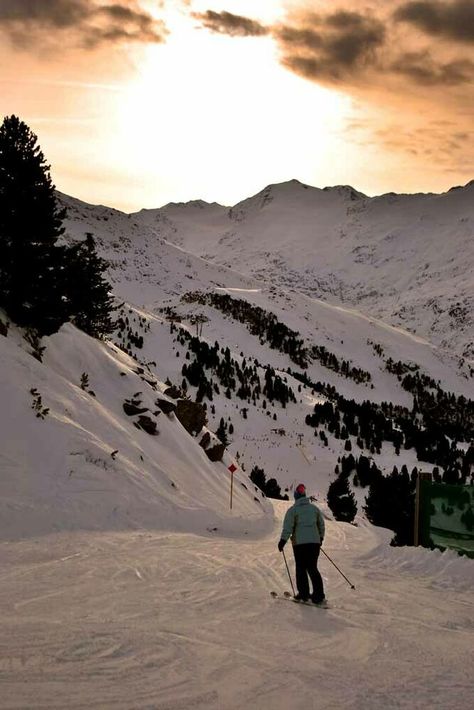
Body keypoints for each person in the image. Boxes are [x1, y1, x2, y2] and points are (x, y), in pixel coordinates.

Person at [278, 483, 326, 603]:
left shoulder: (293, 511)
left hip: (300, 544)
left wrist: (282, 541)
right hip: (314, 544)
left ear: (295, 496)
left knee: (301, 568)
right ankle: (319, 595)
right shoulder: (314, 509)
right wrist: (320, 538)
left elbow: (288, 527)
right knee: (313, 568)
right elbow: (321, 525)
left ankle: (304, 594)